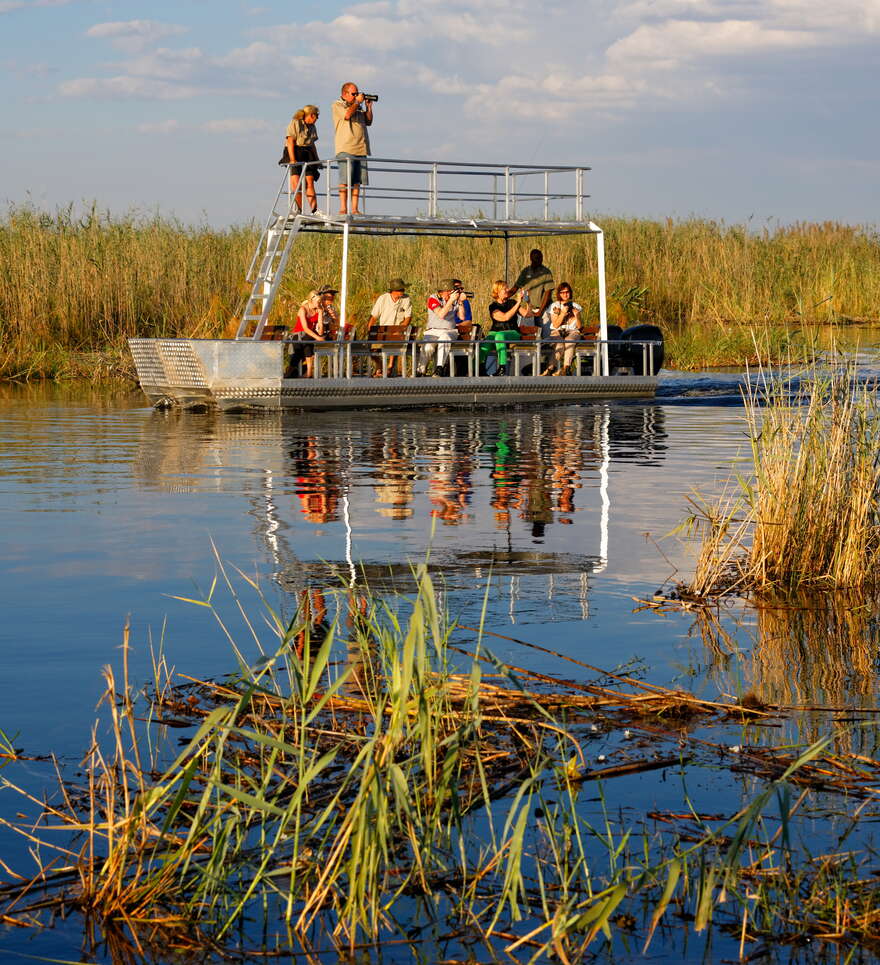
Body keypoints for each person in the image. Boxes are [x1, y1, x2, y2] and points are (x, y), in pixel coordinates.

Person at [332, 81, 373, 215]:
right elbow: (347, 115)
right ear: (344, 94)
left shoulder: (358, 107)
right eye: (353, 94)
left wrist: (368, 107)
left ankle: (354, 208)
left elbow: (368, 122)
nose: (356, 96)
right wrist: (357, 102)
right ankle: (343, 208)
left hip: (361, 148)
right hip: (346, 148)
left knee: (357, 181)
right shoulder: (337, 105)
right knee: (345, 179)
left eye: (357, 93)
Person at [418, 279, 465, 376]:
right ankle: (421, 370)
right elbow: (441, 314)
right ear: (446, 291)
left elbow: (462, 317)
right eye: (452, 291)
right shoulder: (433, 298)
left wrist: (460, 302)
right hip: (433, 330)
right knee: (427, 346)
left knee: (445, 337)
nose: (453, 293)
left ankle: (440, 367)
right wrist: (451, 300)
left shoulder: (455, 300)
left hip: (450, 331)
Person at [367, 277, 412, 376]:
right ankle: (380, 364)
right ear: (394, 291)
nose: (403, 291)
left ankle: (390, 367)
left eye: (403, 289)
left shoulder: (406, 298)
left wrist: (400, 329)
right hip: (383, 331)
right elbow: (374, 315)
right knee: (371, 347)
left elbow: (408, 317)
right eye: (401, 289)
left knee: (394, 339)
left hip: (398, 332)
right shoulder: (383, 298)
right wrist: (370, 329)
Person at [289, 286, 337, 378]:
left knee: (308, 340)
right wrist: (318, 337)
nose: (320, 304)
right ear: (311, 300)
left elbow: (320, 331)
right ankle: (305, 371)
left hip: (309, 336)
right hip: (299, 334)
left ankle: (307, 372)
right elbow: (305, 328)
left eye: (320, 302)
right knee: (307, 340)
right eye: (318, 302)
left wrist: (320, 315)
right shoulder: (303, 309)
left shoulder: (319, 310)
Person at [481, 281, 523, 376]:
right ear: (498, 292)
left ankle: (502, 367)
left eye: (507, 288)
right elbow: (504, 317)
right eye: (505, 288)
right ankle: (480, 369)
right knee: (484, 344)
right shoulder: (493, 306)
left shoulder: (513, 303)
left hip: (512, 332)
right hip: (495, 333)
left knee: (500, 336)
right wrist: (518, 304)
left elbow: (527, 314)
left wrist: (527, 302)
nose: (508, 290)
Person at [285, 105, 321, 213]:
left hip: (307, 153)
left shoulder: (312, 127)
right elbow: (290, 140)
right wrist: (292, 159)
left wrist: (317, 160)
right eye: (317, 117)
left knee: (310, 181)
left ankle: (314, 210)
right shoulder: (295, 122)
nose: (317, 119)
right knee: (296, 182)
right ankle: (299, 210)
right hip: (295, 151)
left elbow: (312, 145)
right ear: (312, 115)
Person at [541, 282, 583, 375]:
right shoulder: (555, 306)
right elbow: (555, 325)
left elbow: (579, 327)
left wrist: (577, 316)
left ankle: (565, 368)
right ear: (559, 294)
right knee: (559, 344)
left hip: (572, 332)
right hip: (557, 332)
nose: (565, 294)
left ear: (570, 292)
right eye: (562, 292)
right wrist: (563, 313)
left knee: (569, 341)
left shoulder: (576, 306)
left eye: (567, 292)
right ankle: (551, 369)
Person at [512, 248, 554, 323]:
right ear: (531, 258)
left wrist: (540, 311)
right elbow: (516, 287)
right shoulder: (526, 271)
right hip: (529, 309)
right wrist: (505, 295)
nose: (538, 260)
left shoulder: (546, 272)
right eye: (536, 258)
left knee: (543, 333)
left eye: (540, 258)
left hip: (543, 309)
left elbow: (548, 293)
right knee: (529, 332)